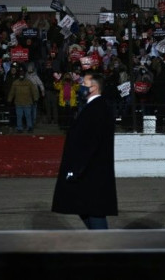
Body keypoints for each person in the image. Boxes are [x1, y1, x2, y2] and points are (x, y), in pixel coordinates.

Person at [52, 71, 117, 230]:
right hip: (90, 170)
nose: (80, 87)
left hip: (91, 171)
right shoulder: (96, 107)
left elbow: (89, 143)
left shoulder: (97, 108)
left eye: (84, 84)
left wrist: (75, 169)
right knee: (84, 208)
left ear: (93, 88)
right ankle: (101, 245)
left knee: (93, 211)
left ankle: (105, 248)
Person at [7, 66, 39, 133]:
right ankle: (19, 128)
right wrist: (9, 100)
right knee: (19, 116)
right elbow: (12, 92)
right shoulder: (15, 83)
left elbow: (34, 91)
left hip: (27, 102)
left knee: (28, 115)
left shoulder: (29, 82)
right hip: (18, 102)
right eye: (20, 74)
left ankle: (29, 127)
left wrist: (35, 98)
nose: (21, 75)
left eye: (22, 74)